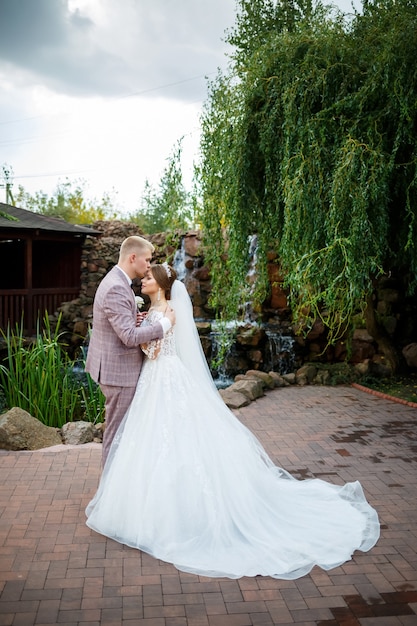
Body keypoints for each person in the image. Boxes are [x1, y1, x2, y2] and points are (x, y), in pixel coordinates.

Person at [86, 262, 380, 580]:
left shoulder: (167, 312)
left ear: (159, 284)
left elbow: (154, 352)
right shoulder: (156, 309)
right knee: (159, 439)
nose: (142, 281)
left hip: (162, 378)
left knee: (168, 438)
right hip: (158, 379)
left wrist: (154, 330)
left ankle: (170, 513)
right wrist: (145, 325)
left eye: (147, 278)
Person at [85, 237, 175, 465]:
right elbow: (128, 337)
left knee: (121, 431)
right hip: (119, 372)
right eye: (146, 260)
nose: (148, 265)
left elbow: (120, 324)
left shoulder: (117, 281)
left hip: (115, 368)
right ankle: (109, 490)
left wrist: (134, 318)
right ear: (133, 258)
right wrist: (164, 325)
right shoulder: (116, 286)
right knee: (116, 433)